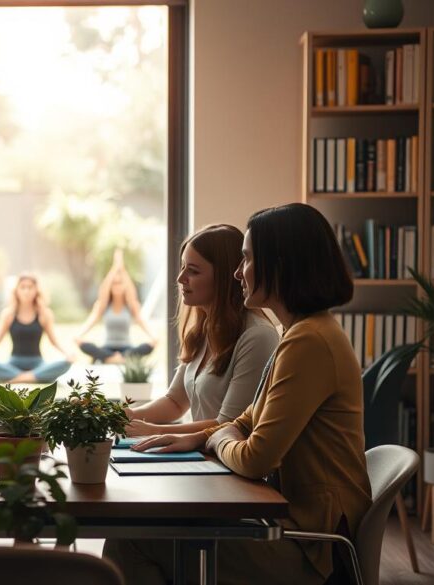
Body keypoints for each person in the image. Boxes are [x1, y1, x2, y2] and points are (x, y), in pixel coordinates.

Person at [105, 203, 372, 585]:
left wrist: (215, 436)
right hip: (291, 524)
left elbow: (255, 457)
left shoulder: (308, 342)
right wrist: (204, 435)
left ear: (279, 265)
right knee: (148, 530)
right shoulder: (301, 333)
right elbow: (244, 422)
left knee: (131, 541)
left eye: (246, 259)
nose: (237, 272)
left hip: (313, 549)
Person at [123, 224, 279, 437]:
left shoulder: (257, 336)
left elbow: (230, 424)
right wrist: (124, 415)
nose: (180, 279)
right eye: (183, 267)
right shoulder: (204, 329)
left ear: (224, 277)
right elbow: (175, 402)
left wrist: (156, 431)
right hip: (201, 459)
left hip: (227, 464)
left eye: (193, 271)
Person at [0, 273, 75, 383]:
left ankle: (19, 378)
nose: (26, 291)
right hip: (14, 363)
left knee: (66, 364)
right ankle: (33, 377)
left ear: (36, 291)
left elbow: (54, 341)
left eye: (30, 287)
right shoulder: (8, 314)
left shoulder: (44, 314)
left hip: (37, 363)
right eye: (23, 287)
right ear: (17, 290)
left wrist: (67, 353)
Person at [74, 249, 157, 363]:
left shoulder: (130, 306)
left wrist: (121, 268)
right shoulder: (103, 306)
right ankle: (117, 359)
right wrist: (114, 267)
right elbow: (103, 289)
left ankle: (113, 359)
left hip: (127, 348)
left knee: (147, 346)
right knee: (85, 345)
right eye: (114, 283)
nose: (117, 285)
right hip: (107, 348)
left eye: (120, 282)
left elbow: (131, 291)